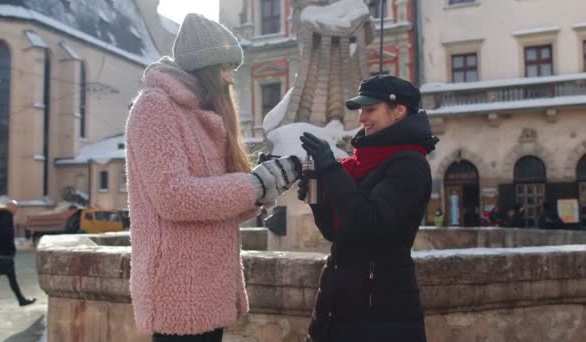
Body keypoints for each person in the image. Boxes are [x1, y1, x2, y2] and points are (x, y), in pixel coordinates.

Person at [125, 13, 301, 341]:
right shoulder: (155, 107)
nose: (230, 79)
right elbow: (173, 197)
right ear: (204, 68)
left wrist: (263, 189)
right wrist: (254, 185)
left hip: (207, 286)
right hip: (178, 289)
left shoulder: (200, 115)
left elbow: (215, 198)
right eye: (225, 68)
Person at [297, 75, 438, 342]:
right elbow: (334, 232)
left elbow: (368, 222)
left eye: (370, 109)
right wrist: (317, 196)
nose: (361, 118)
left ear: (399, 110)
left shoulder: (409, 164)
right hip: (339, 303)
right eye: (361, 110)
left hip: (380, 310)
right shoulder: (361, 162)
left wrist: (331, 169)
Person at [0, 197, 36, 312]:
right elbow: (6, 236)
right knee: (7, 278)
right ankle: (20, 300)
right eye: (16, 208)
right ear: (10, 207)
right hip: (3, 254)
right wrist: (10, 250)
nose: (16, 211)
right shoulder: (6, 217)